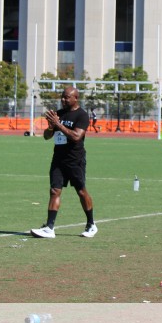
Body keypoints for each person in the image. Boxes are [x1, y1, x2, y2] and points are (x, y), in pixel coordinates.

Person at [31, 86, 97, 239]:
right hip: (58, 159)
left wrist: (59, 124)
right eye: (62, 97)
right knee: (55, 191)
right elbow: (47, 136)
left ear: (75, 98)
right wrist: (51, 127)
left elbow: (76, 137)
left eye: (66, 97)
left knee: (81, 191)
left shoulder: (82, 115)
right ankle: (49, 227)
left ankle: (91, 224)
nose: (63, 99)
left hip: (75, 160)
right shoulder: (58, 114)